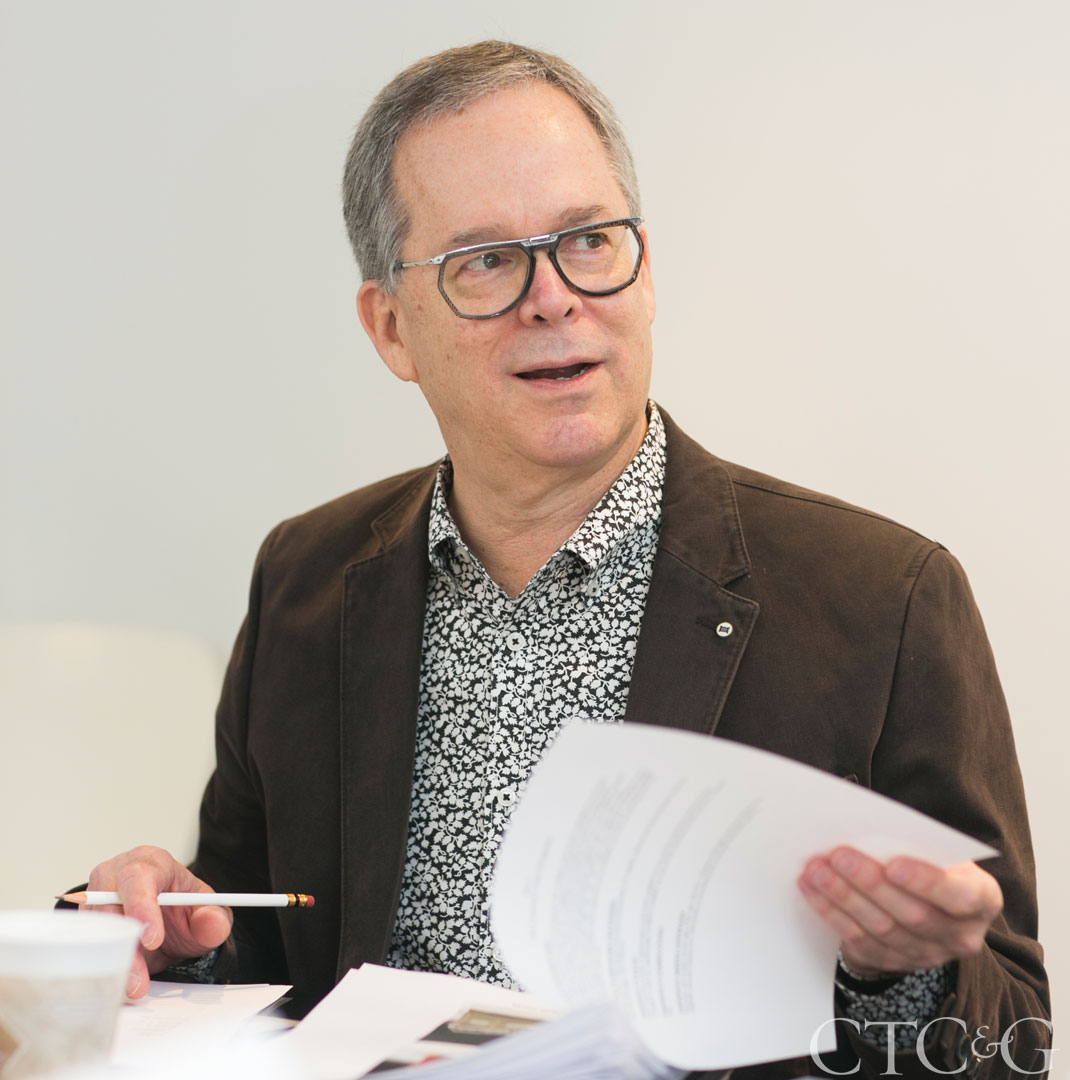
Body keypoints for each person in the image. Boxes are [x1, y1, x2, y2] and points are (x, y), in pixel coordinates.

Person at [80, 41, 1049, 1078]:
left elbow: (1011, 1039)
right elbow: (261, 939)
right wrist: (175, 937)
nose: (551, 297)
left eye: (588, 241)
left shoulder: (881, 599)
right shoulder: (306, 579)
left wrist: (900, 973)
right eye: (486, 261)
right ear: (391, 328)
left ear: (644, 268)